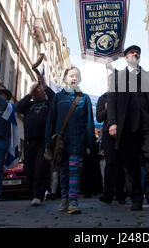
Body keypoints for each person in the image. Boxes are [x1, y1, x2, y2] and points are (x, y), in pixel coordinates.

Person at [107, 45, 149, 211]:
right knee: (130, 163)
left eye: (137, 53)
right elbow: (111, 100)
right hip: (127, 126)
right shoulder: (118, 76)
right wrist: (112, 123)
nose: (135, 54)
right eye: (131, 52)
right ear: (126, 57)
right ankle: (136, 198)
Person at [45, 66, 95, 214]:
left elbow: (89, 123)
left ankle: (73, 200)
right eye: (71, 76)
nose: (74, 78)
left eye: (76, 76)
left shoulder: (84, 98)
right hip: (61, 143)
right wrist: (49, 141)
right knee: (64, 171)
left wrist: (89, 143)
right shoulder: (58, 97)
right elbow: (51, 120)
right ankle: (64, 198)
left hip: (77, 141)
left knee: (74, 170)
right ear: (65, 78)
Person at [16, 75, 54, 207]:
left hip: (44, 141)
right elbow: (18, 108)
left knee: (40, 167)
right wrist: (29, 94)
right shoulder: (28, 105)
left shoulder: (48, 104)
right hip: (29, 141)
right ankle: (34, 193)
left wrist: (45, 86)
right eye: (35, 91)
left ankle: (38, 195)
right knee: (28, 168)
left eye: (39, 90)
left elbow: (55, 100)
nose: (37, 92)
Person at [96, 92, 127, 205]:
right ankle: (108, 194)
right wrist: (108, 109)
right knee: (110, 163)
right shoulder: (103, 98)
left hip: (122, 132)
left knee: (121, 163)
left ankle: (120, 194)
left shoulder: (123, 96)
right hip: (107, 134)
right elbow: (99, 118)